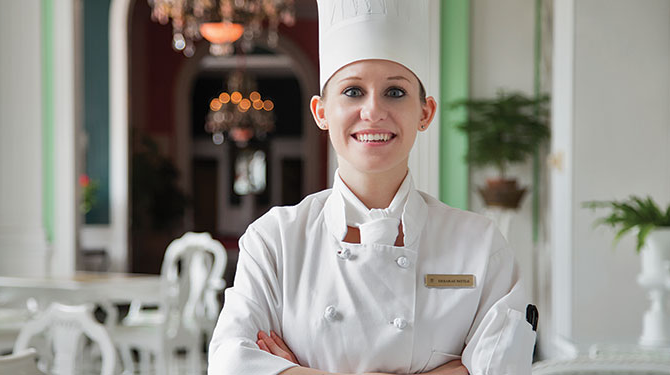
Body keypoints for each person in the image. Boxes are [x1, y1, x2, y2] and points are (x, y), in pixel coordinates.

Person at [207, 0, 536, 374]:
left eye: (395, 92)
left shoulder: (480, 245)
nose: (373, 111)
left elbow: (502, 366)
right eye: (352, 91)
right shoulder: (275, 240)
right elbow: (230, 362)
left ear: (425, 112)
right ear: (321, 112)